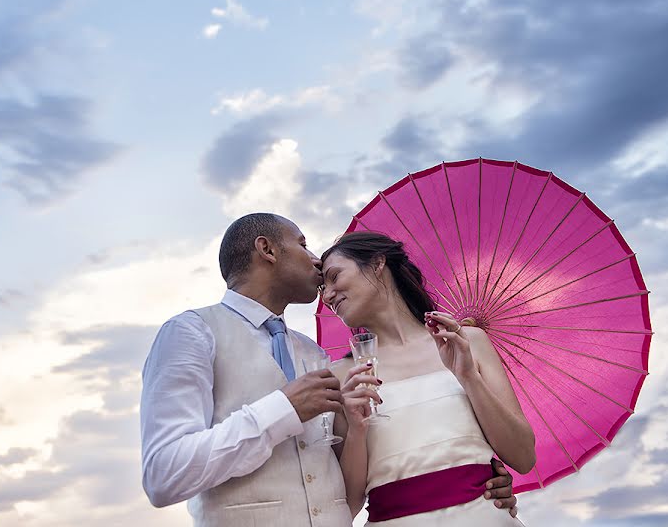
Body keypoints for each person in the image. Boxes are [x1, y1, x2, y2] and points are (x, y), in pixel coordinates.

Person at [141, 213, 519, 527]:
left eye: (333, 274)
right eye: (303, 244)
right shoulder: (193, 332)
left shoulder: (314, 355)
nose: (316, 262)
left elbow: (339, 476)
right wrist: (283, 408)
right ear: (267, 249)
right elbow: (163, 473)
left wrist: (473, 479)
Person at [320, 231, 535, 526]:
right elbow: (348, 505)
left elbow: (523, 457)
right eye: (322, 287)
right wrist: (357, 429)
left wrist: (468, 376)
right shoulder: (342, 375)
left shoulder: (467, 342)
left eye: (334, 277)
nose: (327, 295)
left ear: (377, 263)